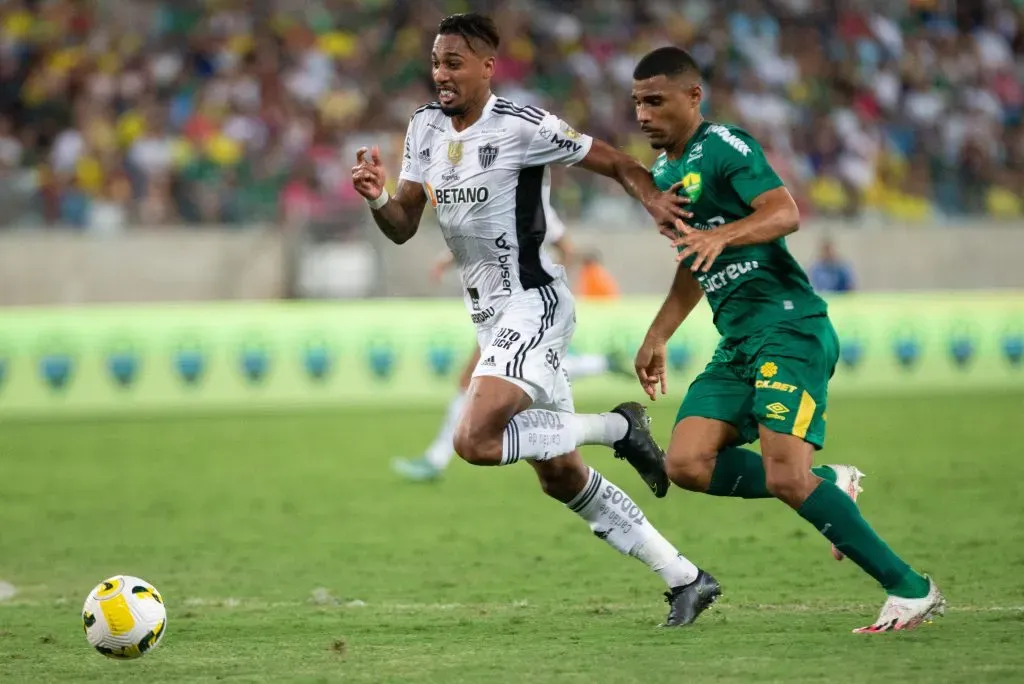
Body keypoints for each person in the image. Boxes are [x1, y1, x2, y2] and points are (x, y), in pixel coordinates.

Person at [352, 14, 719, 626]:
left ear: (487, 68)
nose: (441, 74)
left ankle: (617, 428)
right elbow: (403, 225)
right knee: (561, 477)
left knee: (474, 440)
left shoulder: (522, 126)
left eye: (453, 63)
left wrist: (653, 196)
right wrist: (378, 197)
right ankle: (685, 577)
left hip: (535, 303)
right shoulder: (423, 127)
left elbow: (614, 161)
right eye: (436, 63)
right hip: (489, 317)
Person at [628, 46, 944, 633]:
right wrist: (658, 333)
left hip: (789, 329)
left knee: (785, 477)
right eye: (637, 103)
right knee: (686, 463)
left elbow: (784, 212)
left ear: (693, 96)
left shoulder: (725, 146)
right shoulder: (666, 177)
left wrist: (724, 234)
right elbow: (695, 260)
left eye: (656, 100)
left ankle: (910, 588)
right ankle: (831, 484)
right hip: (737, 343)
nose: (643, 114)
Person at [393, 191, 632, 484]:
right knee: (539, 381)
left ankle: (436, 458)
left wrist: (548, 282)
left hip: (523, 311)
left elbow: (565, 249)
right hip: (495, 311)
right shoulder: (494, 194)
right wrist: (449, 259)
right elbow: (483, 242)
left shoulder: (533, 201)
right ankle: (605, 374)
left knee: (476, 381)